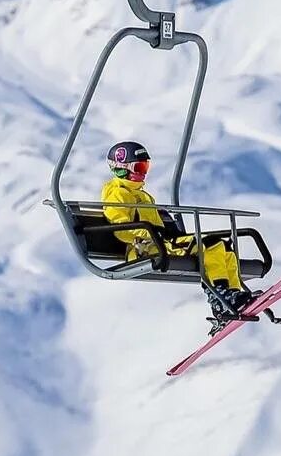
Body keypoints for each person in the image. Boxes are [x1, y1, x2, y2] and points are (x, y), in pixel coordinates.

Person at [100, 140, 256, 328]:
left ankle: (232, 293)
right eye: (139, 167)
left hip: (159, 243)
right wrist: (150, 234)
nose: (143, 172)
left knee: (224, 247)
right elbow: (121, 227)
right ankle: (221, 299)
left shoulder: (141, 194)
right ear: (122, 168)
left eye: (145, 166)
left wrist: (164, 229)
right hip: (146, 248)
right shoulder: (117, 194)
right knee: (209, 245)